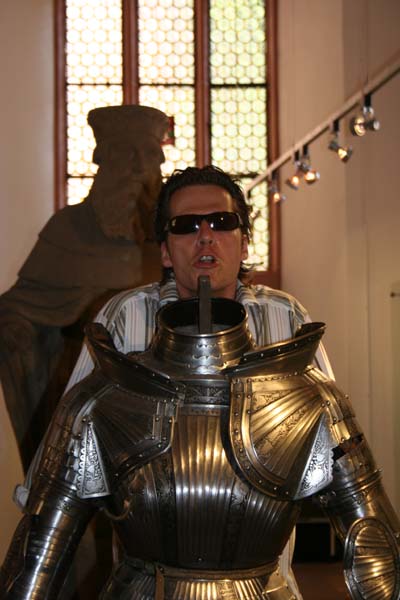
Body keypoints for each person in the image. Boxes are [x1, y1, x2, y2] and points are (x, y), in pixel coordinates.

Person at [5, 166, 398, 599]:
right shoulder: (123, 315)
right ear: (165, 250)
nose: (206, 236)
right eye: (186, 225)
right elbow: (65, 458)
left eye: (222, 222)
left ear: (244, 243)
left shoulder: (288, 320)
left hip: (265, 583)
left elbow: (334, 454)